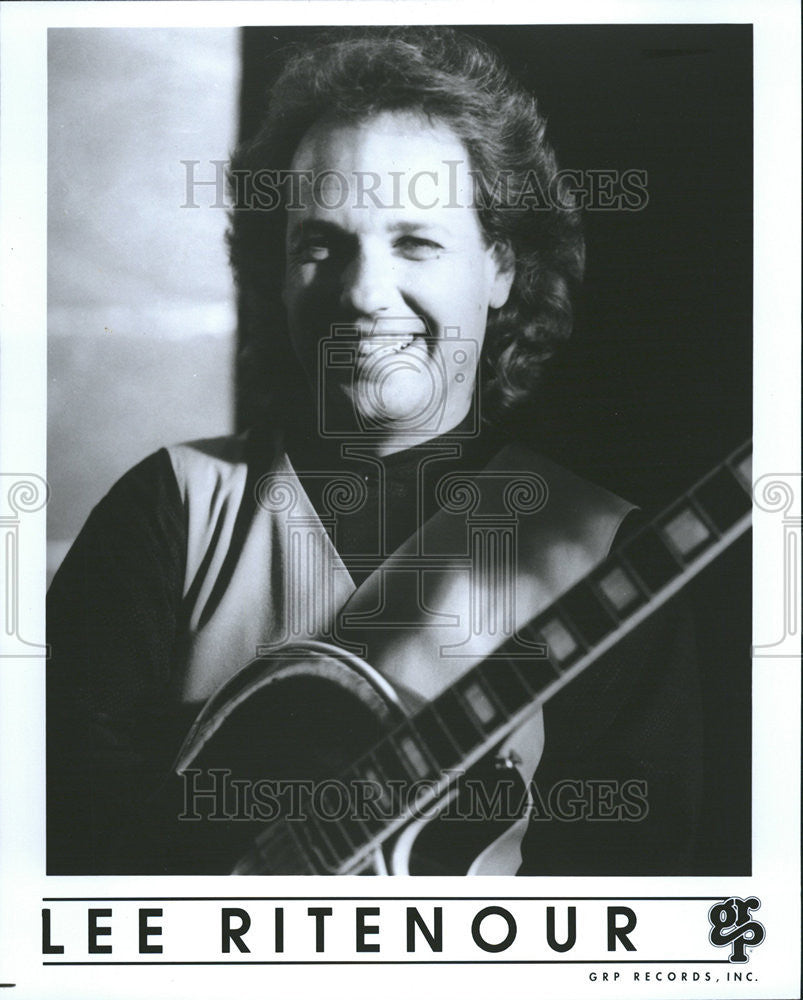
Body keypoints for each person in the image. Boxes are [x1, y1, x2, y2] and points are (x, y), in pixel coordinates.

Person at [47, 27, 702, 875]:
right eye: (319, 244)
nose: (361, 294)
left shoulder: (610, 558)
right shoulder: (171, 510)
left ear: (500, 265)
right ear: (274, 272)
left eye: (416, 242)